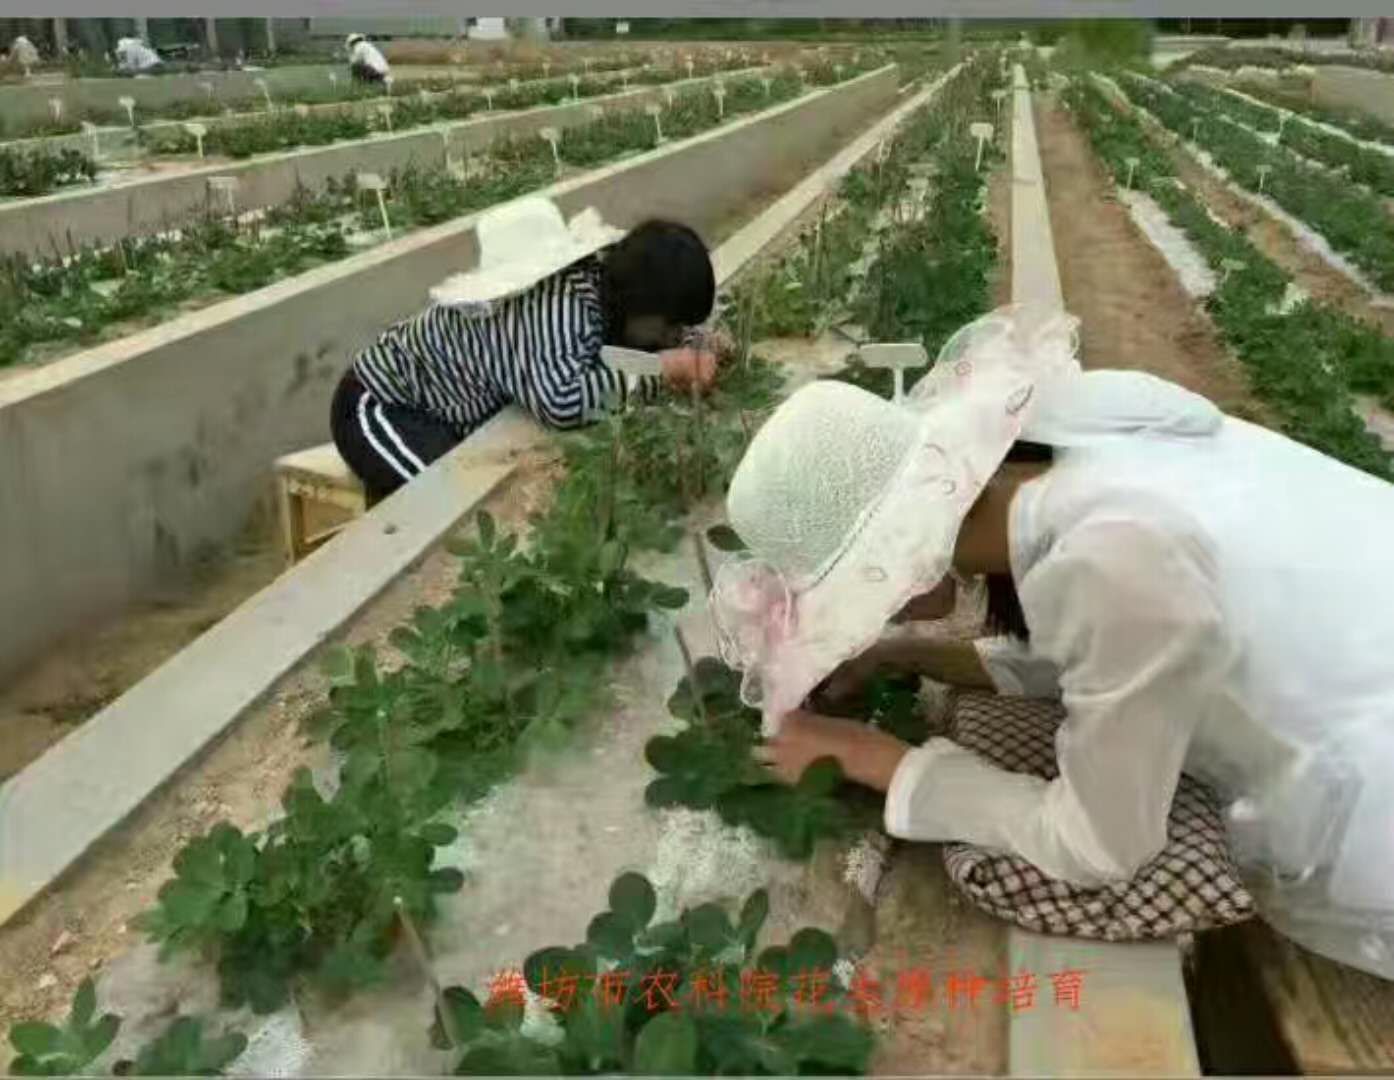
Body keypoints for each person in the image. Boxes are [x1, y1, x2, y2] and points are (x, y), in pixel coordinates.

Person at [711, 303, 1394, 981]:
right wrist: (901, 653)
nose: (876, 613)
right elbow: (1111, 659)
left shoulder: (1111, 563)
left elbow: (1098, 844)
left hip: (1368, 802)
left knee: (1009, 865)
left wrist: (871, 758)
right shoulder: (1072, 444)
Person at [331, 196, 722, 501]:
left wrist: (696, 344)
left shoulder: (604, 294)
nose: (671, 336)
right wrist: (664, 370)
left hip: (443, 412)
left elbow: (612, 352)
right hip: (386, 407)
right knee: (447, 506)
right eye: (671, 326)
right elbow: (563, 401)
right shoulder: (559, 306)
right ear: (641, 301)